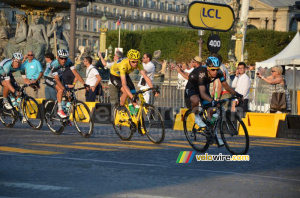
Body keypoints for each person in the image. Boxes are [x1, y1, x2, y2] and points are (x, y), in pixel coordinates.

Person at [185, 56, 243, 128]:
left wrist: (236, 94)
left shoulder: (219, 72)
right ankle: (197, 117)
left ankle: (212, 134)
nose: (215, 72)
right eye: (212, 69)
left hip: (203, 87)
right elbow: (202, 94)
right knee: (196, 100)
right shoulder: (202, 73)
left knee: (211, 112)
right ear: (207, 68)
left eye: (217, 69)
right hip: (192, 87)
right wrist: (212, 101)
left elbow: (226, 86)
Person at [45, 49, 88, 118]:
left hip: (59, 76)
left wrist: (84, 84)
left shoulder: (69, 62)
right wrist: (63, 89)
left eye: (65, 58)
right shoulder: (54, 64)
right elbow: (57, 79)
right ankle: (59, 110)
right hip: (49, 77)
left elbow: (76, 73)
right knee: (61, 90)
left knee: (69, 93)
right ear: (58, 57)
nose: (63, 60)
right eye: (61, 58)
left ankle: (66, 116)